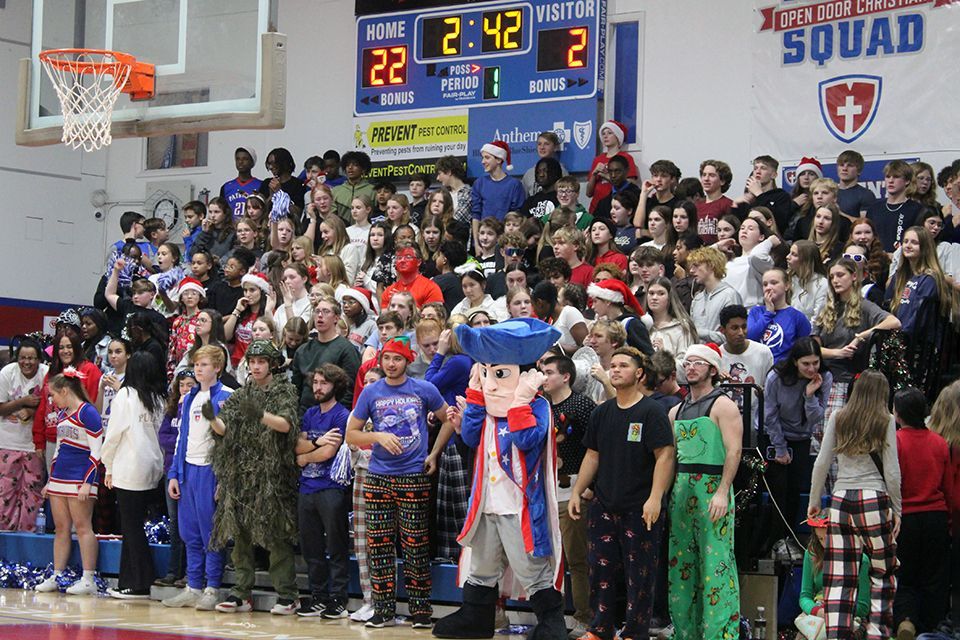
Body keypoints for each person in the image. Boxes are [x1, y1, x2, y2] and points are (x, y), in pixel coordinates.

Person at [432, 318, 566, 640]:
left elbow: (526, 441)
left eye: (500, 374)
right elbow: (471, 437)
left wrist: (519, 400)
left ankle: (552, 623)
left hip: (518, 505)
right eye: (486, 372)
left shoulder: (537, 408)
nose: (492, 383)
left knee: (531, 568)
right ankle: (477, 619)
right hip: (486, 503)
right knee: (481, 566)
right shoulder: (490, 411)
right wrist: (474, 401)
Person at [345, 337, 453, 629]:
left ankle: (420, 610)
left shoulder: (424, 389)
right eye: (387, 358)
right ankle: (382, 609)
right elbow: (351, 434)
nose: (391, 364)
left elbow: (449, 420)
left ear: (407, 361)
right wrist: (377, 436)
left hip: (413, 475)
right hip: (378, 476)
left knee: (415, 544)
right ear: (380, 360)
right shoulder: (371, 392)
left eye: (398, 359)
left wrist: (434, 452)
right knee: (378, 545)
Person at [570, 347, 674, 640]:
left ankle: (634, 632)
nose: (615, 370)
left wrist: (655, 498)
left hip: (639, 506)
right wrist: (578, 490)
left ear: (639, 373)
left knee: (638, 574)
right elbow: (592, 455)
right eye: (612, 365)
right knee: (599, 570)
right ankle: (600, 629)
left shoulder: (652, 411)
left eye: (623, 365)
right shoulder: (602, 412)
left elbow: (665, 456)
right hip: (604, 502)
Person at [807, 370, 901, 640]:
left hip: (841, 501)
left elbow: (821, 463)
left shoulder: (839, 417)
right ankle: (876, 632)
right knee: (883, 571)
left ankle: (837, 635)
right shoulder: (886, 420)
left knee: (840, 576)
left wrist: (814, 501)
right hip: (874, 498)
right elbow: (892, 471)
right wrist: (897, 510)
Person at [209, 340, 301, 615]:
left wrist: (260, 414)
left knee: (275, 536)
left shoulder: (285, 391)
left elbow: (286, 425)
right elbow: (224, 430)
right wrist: (212, 419)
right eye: (252, 361)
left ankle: (288, 595)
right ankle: (241, 593)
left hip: (272, 474)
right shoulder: (241, 393)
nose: (256, 366)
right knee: (240, 536)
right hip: (241, 475)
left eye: (261, 361)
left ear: (272, 364)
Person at [668, 343, 742, 640]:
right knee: (681, 561)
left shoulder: (724, 405)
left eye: (698, 362)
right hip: (682, 490)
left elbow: (734, 450)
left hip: (712, 488)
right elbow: (671, 458)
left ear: (712, 369)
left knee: (716, 562)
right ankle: (685, 631)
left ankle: (720, 632)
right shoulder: (675, 410)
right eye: (687, 362)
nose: (690, 367)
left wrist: (723, 491)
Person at [161, 346, 231, 611]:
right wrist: (175, 473)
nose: (198, 369)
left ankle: (212, 587)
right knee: (189, 532)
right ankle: (193, 586)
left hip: (211, 471)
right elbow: (182, 438)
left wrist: (223, 479)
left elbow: (230, 441)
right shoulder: (188, 397)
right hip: (188, 470)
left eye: (203, 365)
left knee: (210, 533)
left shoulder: (228, 397)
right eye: (196, 364)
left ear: (217, 368)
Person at [538, 354, 596, 638]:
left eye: (549, 372)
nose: (543, 377)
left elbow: (597, 447)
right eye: (542, 372)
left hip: (573, 486)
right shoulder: (539, 406)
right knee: (547, 559)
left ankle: (584, 616)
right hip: (543, 489)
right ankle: (551, 619)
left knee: (576, 557)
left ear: (566, 376)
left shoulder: (583, 405)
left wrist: (590, 485)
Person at [101, 352, 166, 599]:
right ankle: (129, 581)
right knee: (133, 526)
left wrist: (107, 465)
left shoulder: (126, 395)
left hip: (129, 468)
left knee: (132, 527)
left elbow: (114, 434)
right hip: (153, 468)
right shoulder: (159, 398)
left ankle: (140, 582)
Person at [31, 371, 101, 596]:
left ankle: (88, 579)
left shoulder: (88, 412)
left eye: (53, 394)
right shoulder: (61, 414)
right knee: (60, 528)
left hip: (80, 477)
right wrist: (50, 480)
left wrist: (88, 483)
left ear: (65, 390)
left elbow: (97, 451)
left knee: (82, 527)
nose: (51, 400)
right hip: (60, 477)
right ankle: (57, 575)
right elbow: (59, 449)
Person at [762, 338, 831, 555]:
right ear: (795, 362)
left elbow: (815, 418)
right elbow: (769, 415)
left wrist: (810, 395)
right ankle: (774, 540)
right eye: (806, 364)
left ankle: (790, 538)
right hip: (774, 435)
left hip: (801, 437)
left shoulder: (825, 377)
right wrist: (780, 448)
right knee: (778, 490)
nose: (812, 369)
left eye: (815, 363)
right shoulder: (776, 377)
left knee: (794, 491)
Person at [891, 387, 950, 638]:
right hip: (936, 516)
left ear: (898, 414)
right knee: (934, 579)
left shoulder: (895, 442)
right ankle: (932, 627)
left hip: (907, 518)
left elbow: (893, 482)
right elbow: (946, 484)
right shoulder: (939, 442)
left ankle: (905, 619)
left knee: (904, 576)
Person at [814, 258, 901, 425]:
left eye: (840, 275)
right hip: (821, 376)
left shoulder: (865, 306)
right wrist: (838, 353)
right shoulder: (826, 309)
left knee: (834, 427)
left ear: (854, 276)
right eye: (832, 277)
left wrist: (861, 336)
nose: (835, 280)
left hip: (847, 379)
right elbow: (814, 348)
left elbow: (894, 322)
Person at [796, 513, 871, 637]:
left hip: (848, 613)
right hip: (818, 612)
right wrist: (817, 611)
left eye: (828, 538)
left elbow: (863, 606)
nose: (825, 544)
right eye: (820, 539)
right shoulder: (811, 555)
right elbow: (805, 596)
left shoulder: (861, 560)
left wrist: (838, 612)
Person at [0, 339, 47, 531]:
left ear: (39, 359)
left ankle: (30, 537)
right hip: (7, 442)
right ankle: (4, 536)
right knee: (5, 493)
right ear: (16, 358)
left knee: (33, 494)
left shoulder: (46, 374)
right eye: (22, 358)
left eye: (32, 358)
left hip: (34, 446)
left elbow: (52, 410)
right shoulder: (7, 373)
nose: (27, 362)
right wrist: (24, 402)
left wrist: (32, 412)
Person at [155, 369, 196, 588]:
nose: (185, 389)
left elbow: (190, 440)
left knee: (189, 525)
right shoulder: (172, 410)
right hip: (170, 470)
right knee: (174, 524)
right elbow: (164, 437)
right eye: (182, 385)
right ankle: (173, 571)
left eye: (190, 385)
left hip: (190, 472)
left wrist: (178, 444)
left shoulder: (195, 409)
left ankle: (191, 573)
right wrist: (177, 444)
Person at [290, 297, 362, 411]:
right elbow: (295, 389)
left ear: (336, 318)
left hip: (332, 416)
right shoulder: (302, 350)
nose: (320, 315)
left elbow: (350, 391)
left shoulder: (347, 349)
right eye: (317, 311)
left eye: (326, 311)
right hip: (304, 415)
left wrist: (334, 417)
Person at [718, 304, 774, 429]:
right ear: (722, 330)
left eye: (744, 327)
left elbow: (771, 391)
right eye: (734, 328)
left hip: (756, 423)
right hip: (725, 424)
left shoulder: (763, 352)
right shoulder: (716, 356)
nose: (741, 333)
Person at [747, 267, 812, 362]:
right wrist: (768, 313)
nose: (768, 287)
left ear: (787, 285)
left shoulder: (797, 317)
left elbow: (805, 350)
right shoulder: (755, 312)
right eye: (765, 284)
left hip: (783, 370)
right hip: (758, 366)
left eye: (774, 283)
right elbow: (750, 338)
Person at [470, 141, 525, 247]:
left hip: (505, 242)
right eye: (482, 158)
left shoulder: (514, 185)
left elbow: (516, 216)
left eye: (487, 158)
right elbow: (476, 214)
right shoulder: (479, 183)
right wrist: (476, 244)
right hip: (483, 242)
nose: (483, 161)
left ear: (499, 159)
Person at [687, 247, 743, 343]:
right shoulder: (697, 299)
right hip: (698, 355)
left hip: (722, 356)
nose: (691, 271)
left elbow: (735, 334)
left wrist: (701, 333)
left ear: (711, 265)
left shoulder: (729, 295)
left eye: (696, 265)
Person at [866, 160, 924, 252]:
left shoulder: (916, 209)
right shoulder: (874, 209)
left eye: (896, 177)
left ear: (907, 181)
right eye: (888, 177)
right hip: (876, 261)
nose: (891, 181)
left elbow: (920, 240)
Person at [722, 215, 776, 308]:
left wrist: (769, 242)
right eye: (742, 228)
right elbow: (703, 263)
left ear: (761, 237)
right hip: (729, 314)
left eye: (750, 229)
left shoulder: (762, 260)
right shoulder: (729, 263)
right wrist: (718, 246)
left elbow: (755, 256)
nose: (744, 231)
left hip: (751, 312)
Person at [586, 120, 639, 213]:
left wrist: (607, 177)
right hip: (596, 206)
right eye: (603, 134)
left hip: (618, 206)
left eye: (610, 133)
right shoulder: (597, 159)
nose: (605, 136)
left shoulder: (626, 157)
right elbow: (589, 193)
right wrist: (594, 174)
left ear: (618, 136)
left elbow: (631, 185)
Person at [730, 155, 793, 232]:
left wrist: (759, 194)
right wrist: (735, 206)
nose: (758, 171)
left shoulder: (782, 196)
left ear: (774, 175)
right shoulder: (748, 198)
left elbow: (779, 222)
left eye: (763, 168)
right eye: (755, 168)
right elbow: (736, 227)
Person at [379, 243, 444, 311]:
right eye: (399, 257)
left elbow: (434, 318)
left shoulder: (431, 288)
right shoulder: (389, 291)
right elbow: (385, 319)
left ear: (419, 262)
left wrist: (406, 303)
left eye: (408, 257)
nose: (402, 260)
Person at [531, 280, 588, 353]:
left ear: (539, 303)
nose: (533, 310)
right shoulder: (551, 322)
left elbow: (588, 347)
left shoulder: (569, 313)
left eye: (533, 305)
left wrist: (560, 348)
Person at [695, 160, 734, 245]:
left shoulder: (728, 204)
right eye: (704, 175)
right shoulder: (697, 205)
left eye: (712, 175)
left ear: (722, 181)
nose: (706, 179)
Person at [787, 241, 829, 320]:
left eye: (794, 254)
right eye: (790, 253)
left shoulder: (822, 284)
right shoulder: (787, 278)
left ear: (806, 260)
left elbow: (818, 317)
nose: (787, 257)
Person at [331, 151, 375, 223]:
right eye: (347, 165)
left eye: (355, 165)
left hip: (366, 231)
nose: (350, 167)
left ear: (363, 169)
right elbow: (332, 216)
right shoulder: (336, 191)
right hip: (342, 232)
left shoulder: (373, 191)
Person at [521, 131, 569, 196]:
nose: (542, 147)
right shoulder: (529, 173)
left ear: (555, 147)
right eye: (539, 144)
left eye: (546, 144)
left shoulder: (562, 171)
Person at [220, 147, 262, 219]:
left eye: (245, 159)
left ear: (252, 162)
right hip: (231, 228)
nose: (240, 162)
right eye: (238, 159)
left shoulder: (260, 185)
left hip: (252, 227)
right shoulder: (226, 187)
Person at [835, 149, 877, 220]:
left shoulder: (866, 195)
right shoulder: (830, 192)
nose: (844, 168)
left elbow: (865, 224)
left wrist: (839, 213)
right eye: (841, 165)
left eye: (850, 165)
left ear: (859, 171)